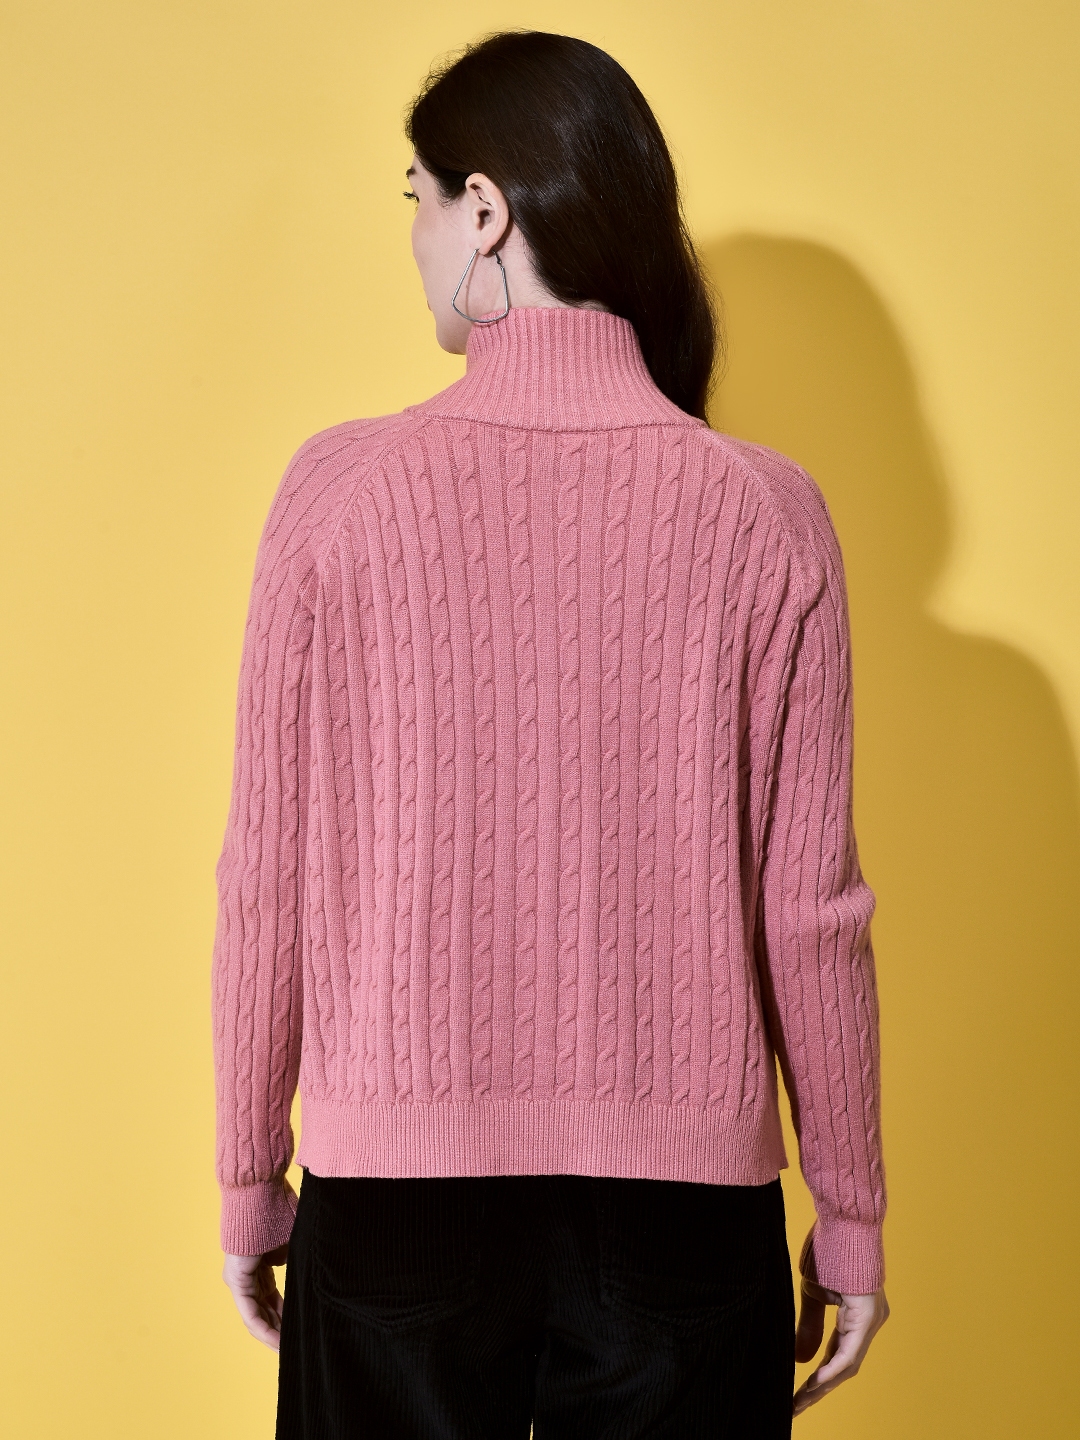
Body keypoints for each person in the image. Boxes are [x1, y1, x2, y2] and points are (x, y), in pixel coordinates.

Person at [213, 29, 889, 1439]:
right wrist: (850, 1216)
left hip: (394, 1202)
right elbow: (812, 910)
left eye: (416, 199)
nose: (411, 238)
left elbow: (267, 876)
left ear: (486, 210)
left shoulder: (337, 496)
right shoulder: (768, 512)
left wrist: (247, 1177)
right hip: (685, 1218)